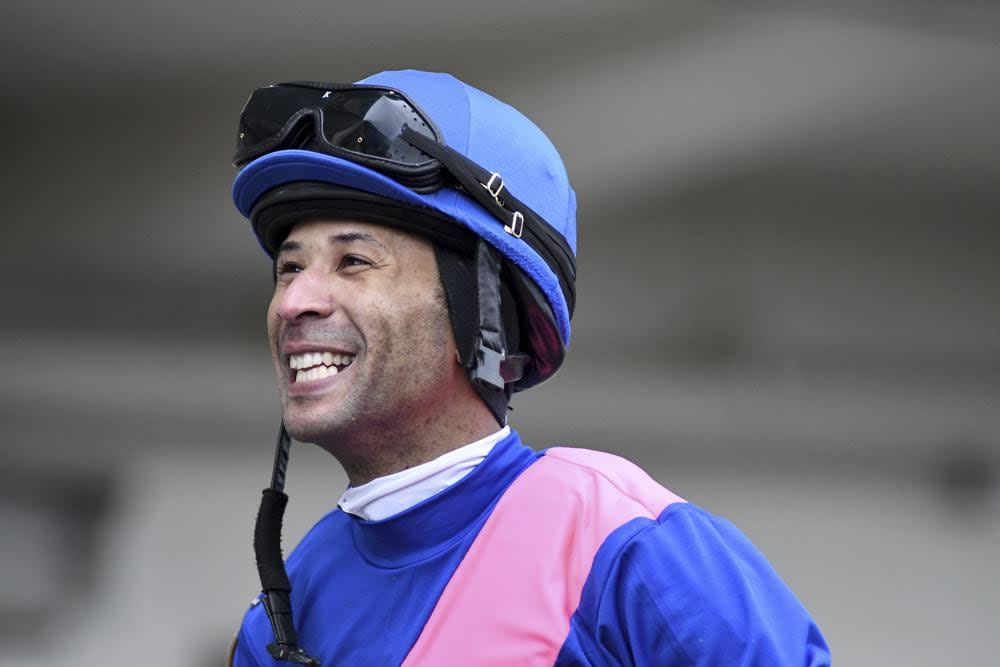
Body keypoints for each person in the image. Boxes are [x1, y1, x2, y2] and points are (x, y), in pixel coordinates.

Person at [226, 69, 830, 666]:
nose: (295, 301)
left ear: (482, 310)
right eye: (289, 268)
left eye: (354, 260)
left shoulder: (621, 540)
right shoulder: (284, 613)